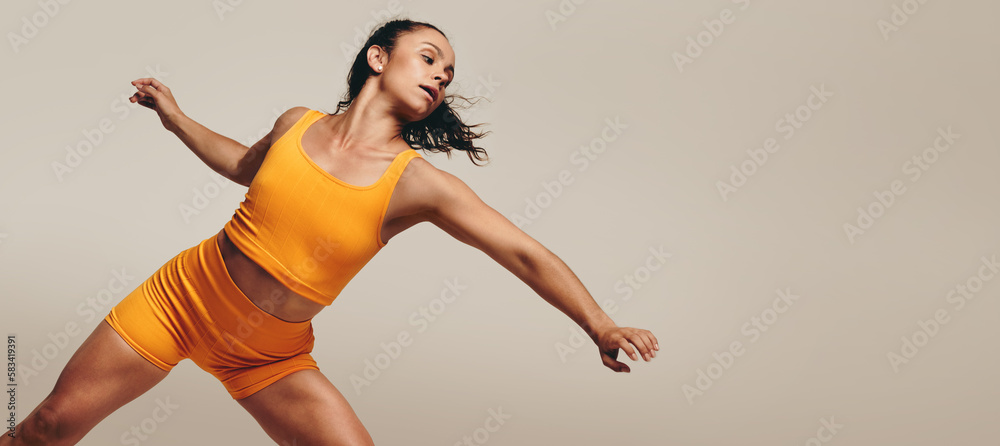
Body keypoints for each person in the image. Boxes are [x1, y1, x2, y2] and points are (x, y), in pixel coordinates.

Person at [2, 19, 658, 446]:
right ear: (378, 56)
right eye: (429, 58)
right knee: (50, 426)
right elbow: (242, 164)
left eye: (448, 74)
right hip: (181, 301)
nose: (440, 75)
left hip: (269, 354)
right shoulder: (298, 122)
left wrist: (598, 324)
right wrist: (175, 117)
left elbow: (521, 251)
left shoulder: (417, 184)